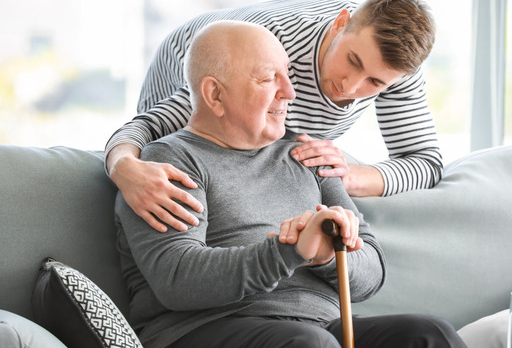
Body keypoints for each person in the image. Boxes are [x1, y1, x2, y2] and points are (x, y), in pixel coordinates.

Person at [114, 21, 465, 348]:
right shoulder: (167, 164)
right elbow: (178, 281)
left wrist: (328, 254)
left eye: (288, 74)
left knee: (430, 335)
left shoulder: (306, 155)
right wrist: (292, 250)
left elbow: (371, 272)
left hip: (317, 327)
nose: (290, 92)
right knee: (310, 344)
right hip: (206, 328)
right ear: (215, 95)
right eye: (269, 79)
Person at [107, 0, 444, 233]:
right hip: (191, 55)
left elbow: (425, 162)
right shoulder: (274, 49)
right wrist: (124, 168)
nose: (351, 87)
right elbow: (145, 128)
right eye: (352, 61)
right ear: (341, 24)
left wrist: (352, 176)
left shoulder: (398, 68)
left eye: (375, 82)